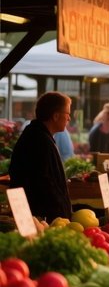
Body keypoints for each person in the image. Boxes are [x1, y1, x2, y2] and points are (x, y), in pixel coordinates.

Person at [8, 92, 72, 221]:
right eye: (67, 114)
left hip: (44, 218)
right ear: (55, 116)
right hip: (42, 220)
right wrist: (60, 214)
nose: (69, 118)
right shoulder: (38, 140)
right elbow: (43, 184)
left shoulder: (39, 135)